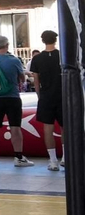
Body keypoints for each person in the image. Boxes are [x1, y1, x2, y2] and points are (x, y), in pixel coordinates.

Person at [0, 35, 31, 167]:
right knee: (15, 127)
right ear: (7, 45)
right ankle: (18, 157)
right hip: (12, 97)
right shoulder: (14, 60)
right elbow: (21, 78)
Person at [29, 29, 63, 170]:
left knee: (47, 128)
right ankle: (66, 157)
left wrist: (39, 96)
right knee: (65, 127)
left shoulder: (37, 59)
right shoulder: (62, 56)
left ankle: (53, 160)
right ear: (55, 40)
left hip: (46, 96)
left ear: (43, 40)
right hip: (62, 95)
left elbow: (36, 80)